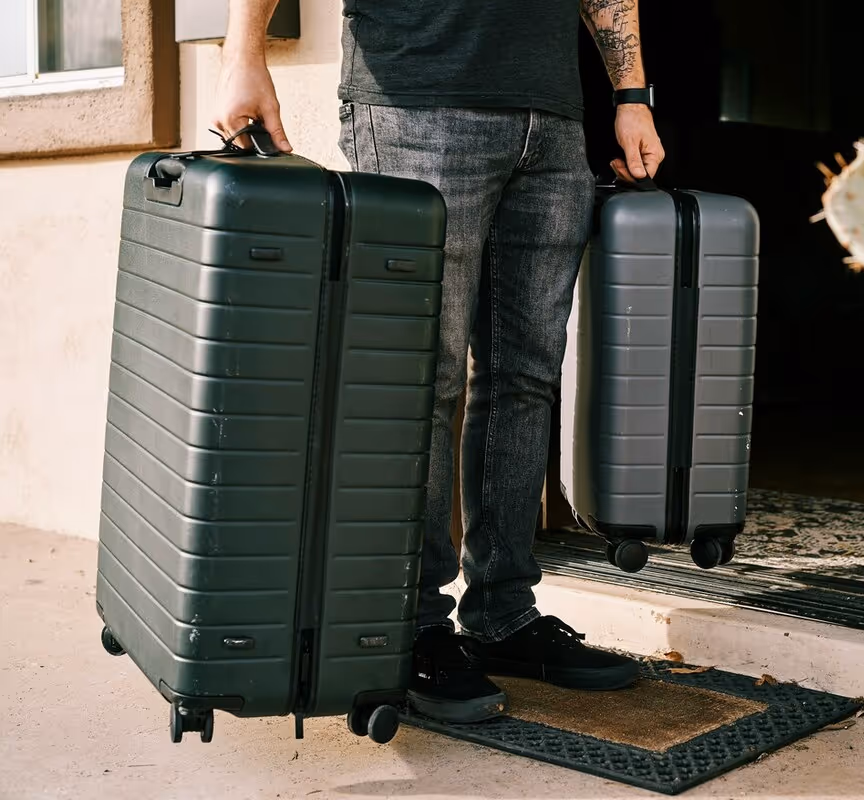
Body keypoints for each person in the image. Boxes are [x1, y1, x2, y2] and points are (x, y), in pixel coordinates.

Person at [213, 0, 666, 724]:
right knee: (423, 381)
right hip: (416, 105)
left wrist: (631, 96)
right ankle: (409, 628)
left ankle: (504, 614)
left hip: (552, 120)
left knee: (525, 380)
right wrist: (243, 52)